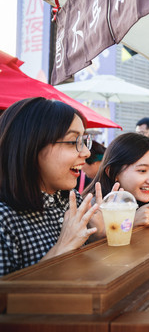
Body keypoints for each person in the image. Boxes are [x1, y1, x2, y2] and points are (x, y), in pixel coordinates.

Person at [0, 97, 103, 276]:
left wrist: (99, 235)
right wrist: (62, 247)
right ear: (30, 145)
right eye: (73, 142)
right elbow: (6, 303)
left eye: (83, 141)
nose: (86, 153)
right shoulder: (4, 219)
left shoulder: (71, 200)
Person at [83, 133, 149, 227]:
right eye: (142, 170)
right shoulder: (94, 208)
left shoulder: (141, 201)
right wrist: (130, 222)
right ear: (112, 172)